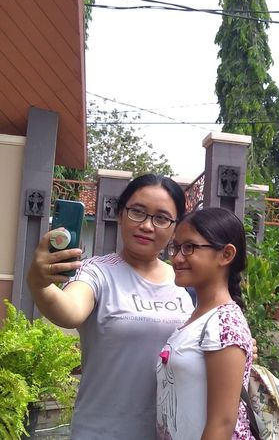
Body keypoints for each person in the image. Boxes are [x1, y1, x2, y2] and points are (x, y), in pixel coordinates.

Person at [26, 174, 253, 439]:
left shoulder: (184, 280)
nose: (147, 225)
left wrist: (237, 350)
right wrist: (39, 284)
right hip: (102, 432)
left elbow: (206, 340)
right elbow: (68, 311)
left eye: (161, 218)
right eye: (137, 212)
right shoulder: (97, 272)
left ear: (175, 227)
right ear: (120, 214)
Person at [156, 207, 253, 439]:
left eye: (189, 247)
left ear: (226, 255)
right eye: (175, 247)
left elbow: (222, 423)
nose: (177, 257)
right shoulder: (196, 319)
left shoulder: (224, 323)